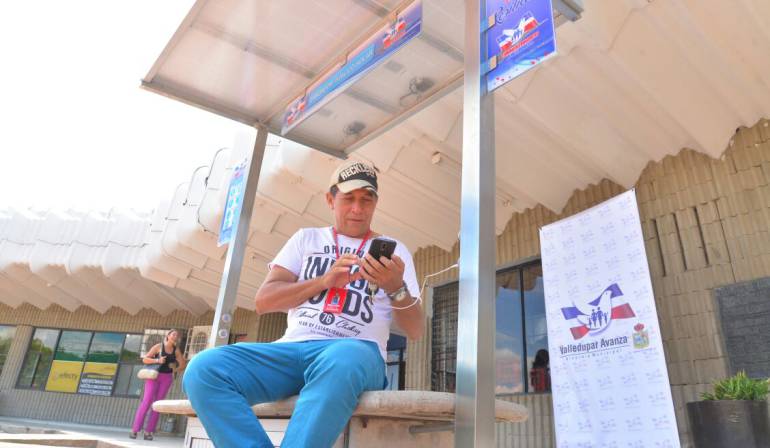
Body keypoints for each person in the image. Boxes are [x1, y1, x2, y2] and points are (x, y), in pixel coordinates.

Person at [184, 160, 424, 448]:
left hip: (357, 351)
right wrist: (324, 281)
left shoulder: (396, 251)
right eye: (348, 198)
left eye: (366, 199)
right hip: (291, 350)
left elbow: (416, 330)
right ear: (330, 200)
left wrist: (396, 287)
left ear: (375, 203)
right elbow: (264, 301)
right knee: (204, 368)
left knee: (343, 358)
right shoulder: (306, 238)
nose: (357, 208)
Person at [130, 329, 187, 440]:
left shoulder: (176, 350)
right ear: (168, 335)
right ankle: (135, 430)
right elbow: (145, 359)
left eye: (177, 335)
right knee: (147, 402)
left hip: (166, 378)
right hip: (153, 376)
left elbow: (183, 364)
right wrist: (157, 361)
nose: (175, 337)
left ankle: (149, 432)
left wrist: (174, 370)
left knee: (157, 404)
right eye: (173, 334)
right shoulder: (159, 346)